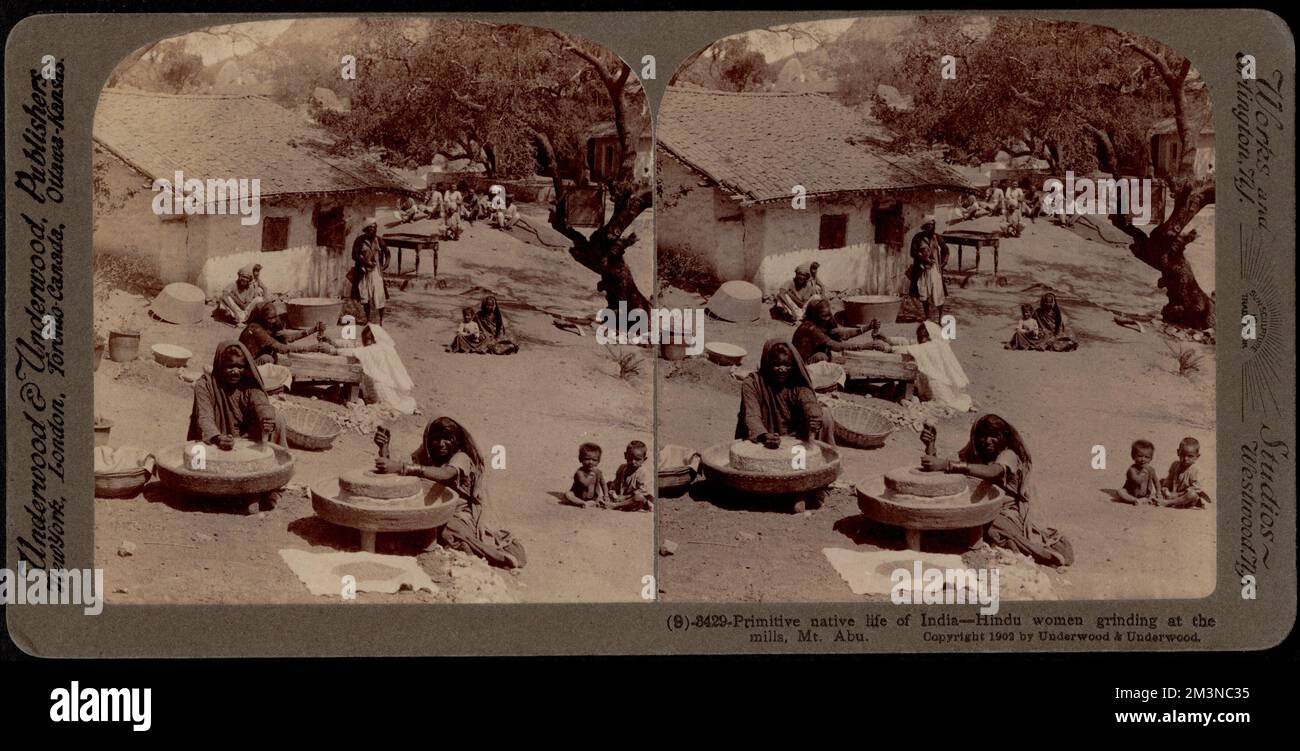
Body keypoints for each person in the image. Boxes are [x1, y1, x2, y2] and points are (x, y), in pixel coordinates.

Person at [920, 415, 1074, 566]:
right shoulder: (975, 453)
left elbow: (993, 471)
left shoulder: (1008, 455)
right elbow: (941, 473)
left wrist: (947, 465)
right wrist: (931, 446)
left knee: (990, 526)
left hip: (1007, 512)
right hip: (980, 505)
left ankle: (1047, 555)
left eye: (994, 436)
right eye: (983, 436)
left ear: (1004, 437)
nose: (988, 441)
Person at [374, 417, 525, 568]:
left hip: (459, 514)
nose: (441, 444)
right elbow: (394, 476)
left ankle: (496, 556)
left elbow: (445, 473)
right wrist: (384, 448)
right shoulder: (426, 454)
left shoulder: (461, 458)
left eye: (447, 439)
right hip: (433, 507)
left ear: (457, 441)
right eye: (436, 439)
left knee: (447, 529)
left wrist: (403, 467)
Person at [735, 340, 835, 512]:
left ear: (793, 364)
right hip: (764, 440)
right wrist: (763, 435)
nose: (782, 369)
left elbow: (809, 402)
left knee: (825, 416)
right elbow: (752, 416)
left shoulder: (797, 383)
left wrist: (814, 417)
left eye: (787, 364)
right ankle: (788, 491)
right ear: (767, 363)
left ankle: (811, 481)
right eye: (776, 364)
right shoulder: (753, 383)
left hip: (794, 441)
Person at [793, 299, 891, 365]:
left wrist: (868, 327)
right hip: (801, 364)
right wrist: (865, 346)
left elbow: (842, 334)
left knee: (830, 354)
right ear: (814, 315)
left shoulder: (825, 320)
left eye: (828, 314)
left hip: (813, 355)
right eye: (824, 316)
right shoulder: (810, 328)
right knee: (822, 357)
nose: (827, 318)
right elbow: (835, 346)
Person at [239, 301, 333, 365]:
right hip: (246, 364)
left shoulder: (270, 325)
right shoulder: (256, 329)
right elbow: (281, 348)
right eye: (269, 318)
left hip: (257, 358)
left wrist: (313, 330)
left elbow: (288, 338)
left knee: (273, 357)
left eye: (274, 317)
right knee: (268, 358)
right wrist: (310, 348)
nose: (273, 321)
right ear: (261, 317)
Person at [908, 217, 948, 322]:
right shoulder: (918, 238)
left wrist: (943, 263)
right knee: (924, 293)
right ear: (925, 227)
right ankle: (927, 317)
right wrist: (924, 260)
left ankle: (940, 318)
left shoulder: (937, 238)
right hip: (922, 270)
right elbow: (913, 252)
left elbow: (946, 250)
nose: (931, 228)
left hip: (935, 270)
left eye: (932, 226)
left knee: (938, 293)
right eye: (929, 226)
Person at [448, 295, 519, 355]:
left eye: (491, 305)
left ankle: (508, 347)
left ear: (494, 306)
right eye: (488, 305)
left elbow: (500, 331)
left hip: (494, 339)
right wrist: (474, 334)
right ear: (484, 305)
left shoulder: (497, 316)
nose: (489, 307)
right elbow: (471, 326)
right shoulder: (479, 315)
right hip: (482, 338)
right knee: (460, 337)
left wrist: (496, 338)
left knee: (504, 341)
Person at [350, 218, 387, 325]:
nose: (372, 229)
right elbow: (354, 255)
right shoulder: (359, 240)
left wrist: (386, 264)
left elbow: (387, 252)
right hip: (363, 272)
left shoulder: (379, 240)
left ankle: (381, 320)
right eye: (370, 227)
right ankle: (368, 320)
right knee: (365, 296)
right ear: (366, 229)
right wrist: (365, 262)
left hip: (376, 273)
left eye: (374, 227)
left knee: (379, 295)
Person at [1159, 437, 1211, 508]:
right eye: (1183, 455)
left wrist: (1176, 494)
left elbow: (1196, 489)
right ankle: (1170, 499)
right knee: (1161, 482)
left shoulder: (1194, 471)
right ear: (1178, 452)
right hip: (1175, 492)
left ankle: (1169, 503)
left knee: (1192, 494)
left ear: (1197, 457)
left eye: (1190, 456)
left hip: (1187, 497)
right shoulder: (1175, 464)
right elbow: (1170, 478)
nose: (1186, 458)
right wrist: (1166, 488)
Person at [606, 440, 653, 511]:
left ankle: (615, 505)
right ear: (625, 455)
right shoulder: (622, 468)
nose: (633, 462)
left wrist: (624, 497)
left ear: (644, 459)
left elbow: (644, 491)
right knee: (608, 484)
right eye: (630, 458)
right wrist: (613, 490)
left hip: (636, 499)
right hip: (623, 495)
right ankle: (614, 502)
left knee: (639, 498)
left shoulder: (643, 472)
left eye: (637, 459)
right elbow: (616, 482)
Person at [562, 442, 608, 508]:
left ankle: (591, 502)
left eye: (594, 460)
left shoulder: (598, 472)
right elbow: (585, 483)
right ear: (580, 459)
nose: (590, 462)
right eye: (587, 459)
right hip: (578, 496)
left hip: (593, 497)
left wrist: (606, 495)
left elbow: (603, 484)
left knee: (599, 498)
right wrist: (590, 476)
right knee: (568, 495)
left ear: (598, 462)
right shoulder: (579, 472)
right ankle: (582, 503)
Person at [1116, 439, 1161, 504]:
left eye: (1146, 457)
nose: (1143, 459)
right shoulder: (1132, 470)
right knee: (1120, 492)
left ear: (1151, 458)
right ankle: (1134, 500)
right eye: (1139, 456)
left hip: (1146, 494)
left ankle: (1145, 499)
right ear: (1133, 456)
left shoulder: (1151, 469)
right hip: (1131, 493)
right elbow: (1137, 481)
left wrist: (1158, 492)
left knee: (1153, 496)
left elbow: (1156, 482)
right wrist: (1142, 473)